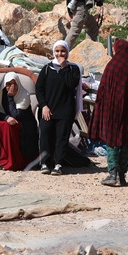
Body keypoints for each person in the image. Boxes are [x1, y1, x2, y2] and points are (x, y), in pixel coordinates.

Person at [89, 39, 128, 186]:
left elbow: (102, 90)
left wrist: (100, 107)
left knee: (112, 141)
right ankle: (122, 175)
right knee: (125, 142)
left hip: (112, 111)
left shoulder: (112, 66)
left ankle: (112, 173)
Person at [35, 40, 81, 176]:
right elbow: (39, 89)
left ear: (67, 52)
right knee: (45, 135)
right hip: (48, 109)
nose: (59, 54)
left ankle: (58, 164)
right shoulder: (47, 69)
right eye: (57, 51)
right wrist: (44, 106)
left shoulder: (73, 69)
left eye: (63, 51)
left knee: (61, 137)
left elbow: (71, 84)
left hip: (65, 109)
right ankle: (44, 163)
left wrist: (63, 68)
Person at [0, 72, 38, 171]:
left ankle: (14, 161)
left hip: (25, 123)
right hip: (10, 120)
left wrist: (10, 97)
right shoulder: (1, 94)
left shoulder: (24, 94)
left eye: (14, 84)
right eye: (9, 84)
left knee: (10, 127)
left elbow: (16, 115)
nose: (11, 87)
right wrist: (6, 118)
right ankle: (2, 159)